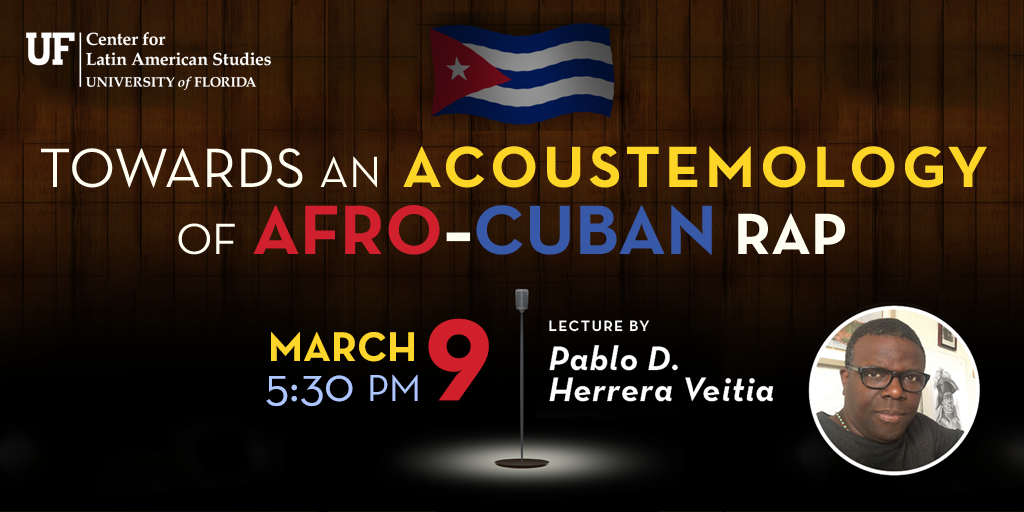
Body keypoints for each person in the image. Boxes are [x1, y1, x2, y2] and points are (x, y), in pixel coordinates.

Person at [816, 318, 963, 471]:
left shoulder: (926, 431)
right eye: (874, 374)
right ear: (846, 380)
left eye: (911, 377)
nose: (896, 392)